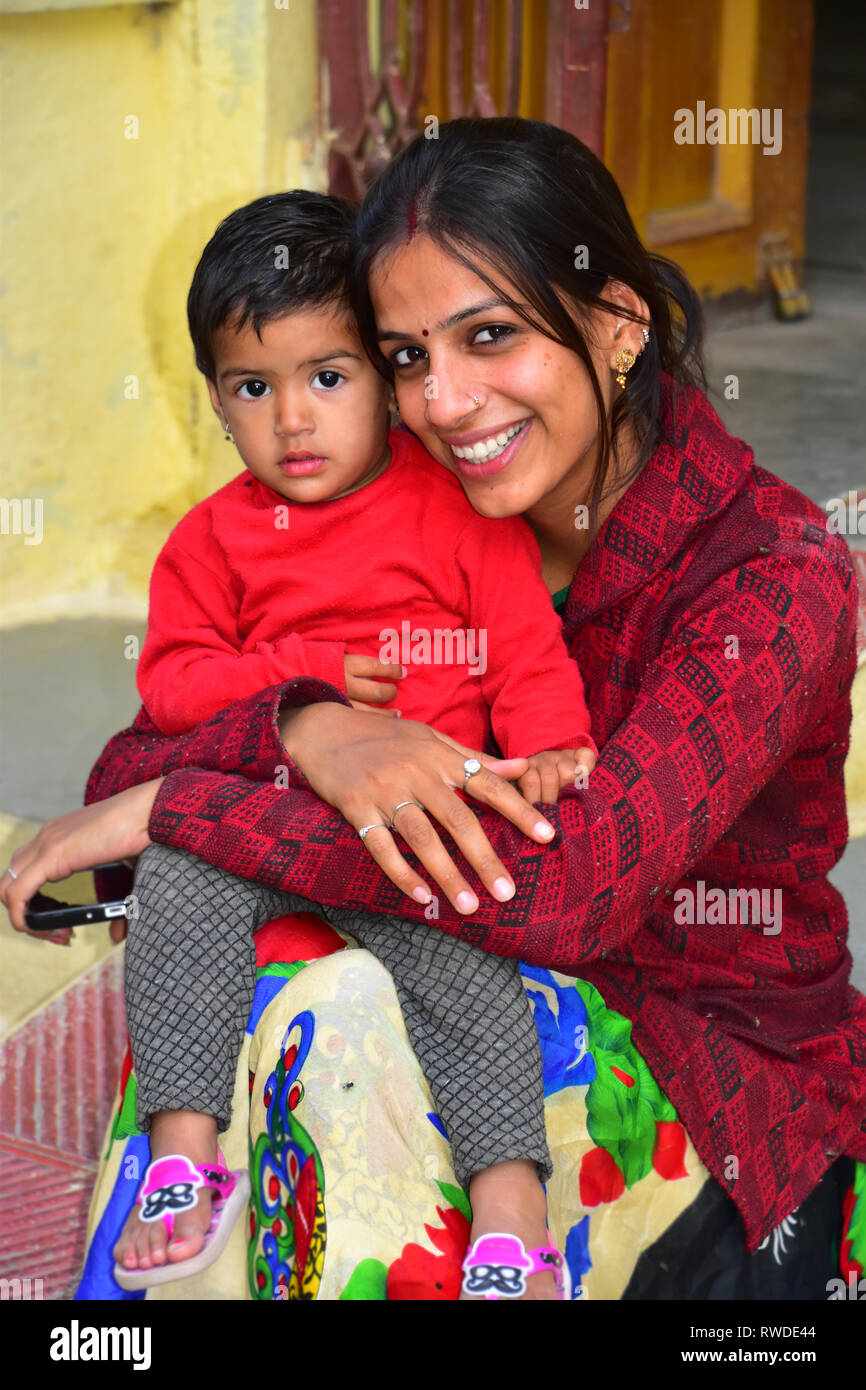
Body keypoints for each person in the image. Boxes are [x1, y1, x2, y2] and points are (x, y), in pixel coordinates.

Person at [4, 117, 865, 1300]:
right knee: (254, 992)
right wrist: (305, 726)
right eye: (404, 357)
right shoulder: (429, 501)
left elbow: (564, 892)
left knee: (333, 1018)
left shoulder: (767, 579)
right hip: (459, 961)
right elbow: (131, 772)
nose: (444, 402)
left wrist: (190, 802)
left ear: (614, 328)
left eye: (489, 337)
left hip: (707, 1063)